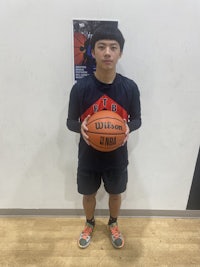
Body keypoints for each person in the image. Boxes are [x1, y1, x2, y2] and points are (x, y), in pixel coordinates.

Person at [67, 24, 141, 249]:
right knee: (88, 194)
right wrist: (80, 127)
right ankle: (89, 223)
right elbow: (70, 122)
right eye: (101, 47)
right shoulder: (80, 88)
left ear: (120, 52)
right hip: (88, 157)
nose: (107, 52)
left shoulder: (130, 88)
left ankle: (113, 223)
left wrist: (128, 127)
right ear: (92, 51)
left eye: (113, 47)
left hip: (117, 157)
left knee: (116, 194)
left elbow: (137, 119)